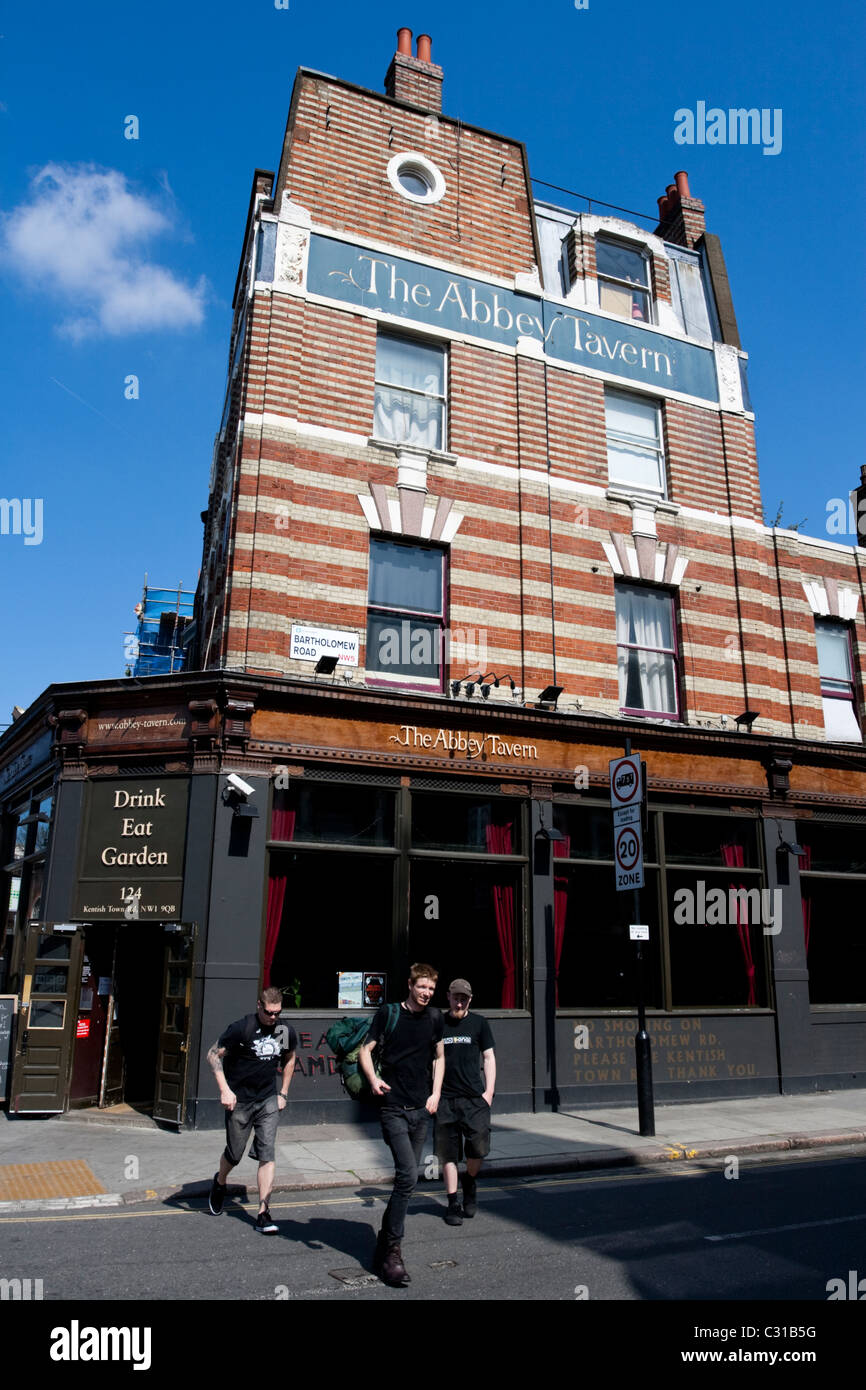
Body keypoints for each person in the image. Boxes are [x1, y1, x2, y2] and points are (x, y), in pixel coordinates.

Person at [359, 963, 445, 1286]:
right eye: (422, 987)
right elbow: (365, 1052)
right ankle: (393, 1252)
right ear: (410, 985)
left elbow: (439, 1056)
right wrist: (373, 1078)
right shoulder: (389, 1013)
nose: (427, 993)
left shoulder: (435, 1018)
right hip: (393, 1108)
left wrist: (436, 1093)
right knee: (408, 1175)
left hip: (421, 1110)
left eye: (431, 989)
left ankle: (383, 1244)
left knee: (405, 1182)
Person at [206, 986, 297, 1233]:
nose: (273, 1018)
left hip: (268, 1099)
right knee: (234, 1154)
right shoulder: (242, 1029)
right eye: (269, 1012)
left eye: (278, 1013)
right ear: (259, 1006)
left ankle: (263, 1213)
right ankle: (220, 1182)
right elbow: (213, 1055)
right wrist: (225, 1090)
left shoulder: (281, 1030)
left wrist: (283, 1093)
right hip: (241, 1101)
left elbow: (289, 1058)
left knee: (267, 1153)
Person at [435, 978, 495, 1226]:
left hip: (474, 1099)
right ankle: (452, 1203)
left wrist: (488, 1093)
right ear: (448, 997)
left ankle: (469, 1181)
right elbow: (432, 1059)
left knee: (478, 1148)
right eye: (456, 997)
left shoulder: (479, 1023)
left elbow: (489, 1057)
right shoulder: (438, 1022)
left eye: (464, 998)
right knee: (447, 1154)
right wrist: (434, 1094)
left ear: (470, 999)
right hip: (446, 1099)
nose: (459, 1002)